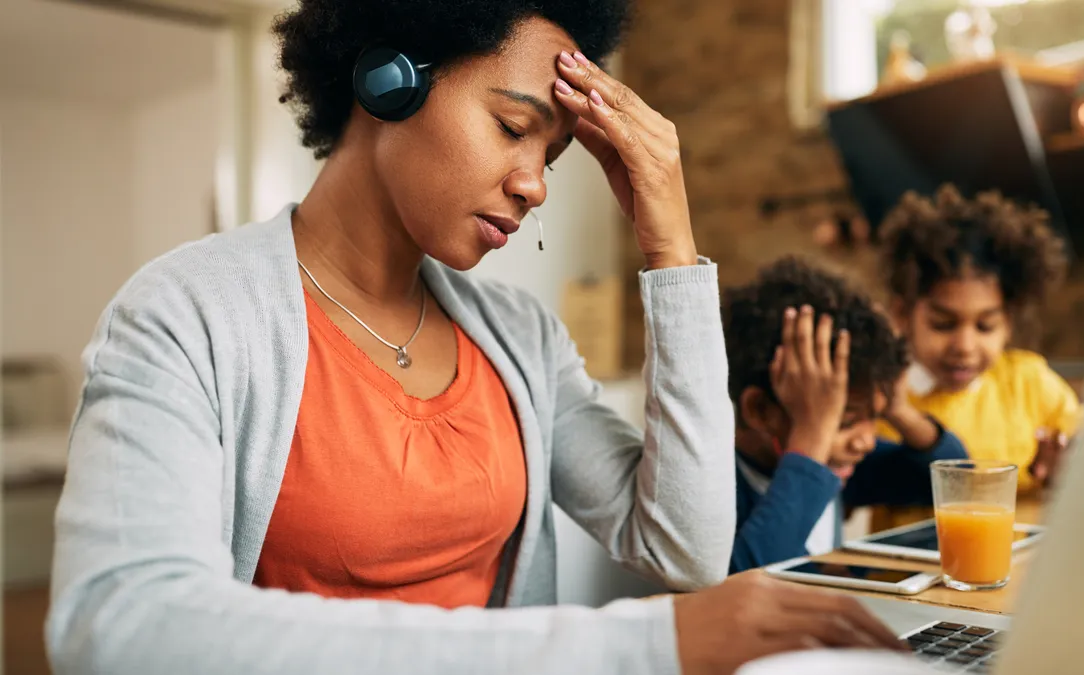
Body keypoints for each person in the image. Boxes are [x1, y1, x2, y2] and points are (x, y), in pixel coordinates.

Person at [46, 2, 906, 673]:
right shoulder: (183, 313)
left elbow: (687, 545)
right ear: (388, 82)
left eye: (555, 155)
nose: (534, 185)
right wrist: (635, 649)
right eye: (511, 126)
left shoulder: (519, 338)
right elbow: (118, 626)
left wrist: (671, 247)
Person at [723, 258, 966, 572]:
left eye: (874, 416)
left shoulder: (838, 463)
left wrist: (897, 408)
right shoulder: (720, 489)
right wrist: (813, 440)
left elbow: (954, 481)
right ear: (759, 410)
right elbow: (752, 575)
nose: (865, 440)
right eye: (844, 422)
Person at [872, 185, 1084, 531]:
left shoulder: (1029, 382)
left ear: (1009, 321)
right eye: (943, 324)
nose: (965, 345)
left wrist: (1070, 469)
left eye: (985, 326)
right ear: (902, 314)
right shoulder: (883, 399)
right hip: (911, 577)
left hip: (1020, 574)